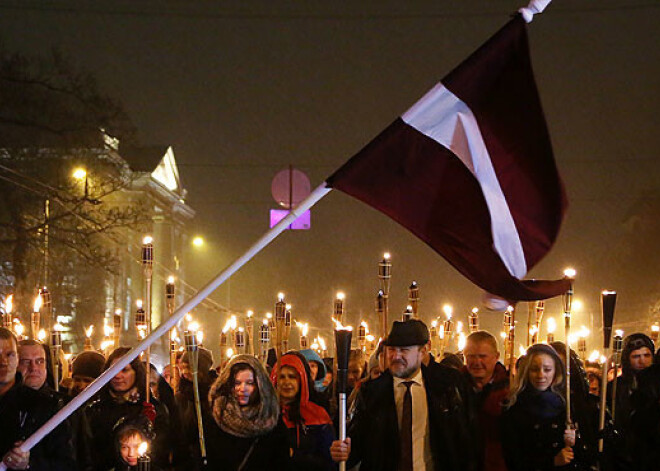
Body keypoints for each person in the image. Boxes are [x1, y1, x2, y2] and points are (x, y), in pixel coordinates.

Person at [330, 319, 476, 471]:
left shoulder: (448, 385)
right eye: (392, 350)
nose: (396, 356)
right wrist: (343, 451)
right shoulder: (372, 392)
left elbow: (466, 441)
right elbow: (358, 443)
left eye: (404, 350)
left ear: (423, 352)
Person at [500, 343, 597, 471]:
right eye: (534, 369)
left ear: (555, 371)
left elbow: (585, 454)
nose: (541, 375)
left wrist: (574, 442)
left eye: (547, 369)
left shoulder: (565, 405)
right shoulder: (514, 407)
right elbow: (514, 458)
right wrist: (551, 461)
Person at [78, 347, 172, 471]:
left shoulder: (152, 408)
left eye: (124, 370)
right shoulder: (94, 409)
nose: (117, 375)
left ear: (136, 372)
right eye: (113, 370)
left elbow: (161, 452)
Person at [0, 327, 75, 471]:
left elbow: (66, 464)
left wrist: (29, 465)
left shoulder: (45, 406)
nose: (3, 362)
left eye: (10, 355)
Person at [206, 354, 288, 470]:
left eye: (250, 383)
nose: (242, 389)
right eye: (237, 383)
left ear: (260, 385)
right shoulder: (217, 416)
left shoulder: (271, 417)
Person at [272, 351, 335, 470]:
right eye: (282, 377)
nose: (287, 382)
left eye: (292, 377)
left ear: (301, 380)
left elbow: (328, 459)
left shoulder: (317, 414)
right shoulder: (266, 414)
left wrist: (296, 457)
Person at [462, 331, 508, 471]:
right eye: (471, 356)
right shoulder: (454, 388)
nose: (477, 362)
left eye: (482, 356)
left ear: (496, 357)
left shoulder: (509, 391)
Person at [608, 333, 654, 468]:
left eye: (646, 355)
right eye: (636, 356)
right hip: (625, 451)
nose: (642, 361)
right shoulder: (616, 386)